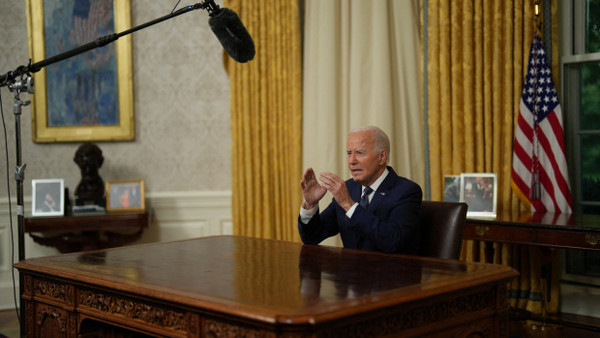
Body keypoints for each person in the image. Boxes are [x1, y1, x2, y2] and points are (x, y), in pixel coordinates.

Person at [298, 126, 423, 254]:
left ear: (382, 156)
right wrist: (310, 205)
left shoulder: (407, 191)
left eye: (360, 153)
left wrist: (349, 205)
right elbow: (311, 238)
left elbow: (393, 241)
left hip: (389, 272)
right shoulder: (348, 188)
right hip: (350, 272)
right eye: (349, 153)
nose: (352, 161)